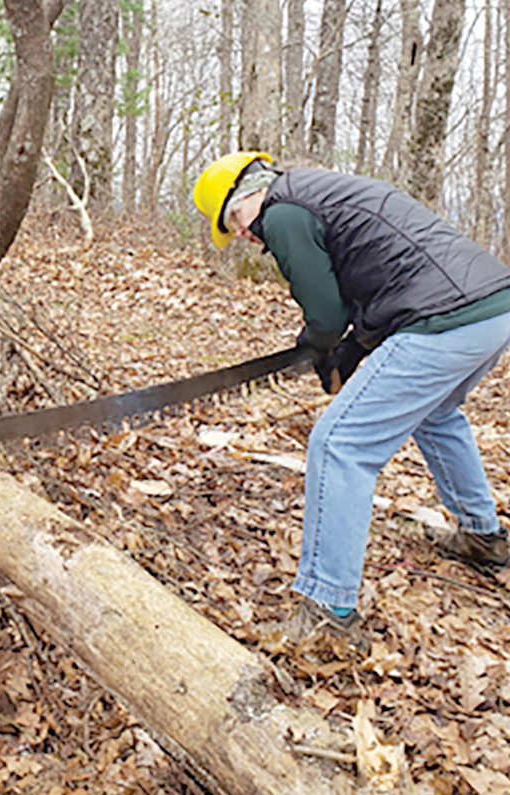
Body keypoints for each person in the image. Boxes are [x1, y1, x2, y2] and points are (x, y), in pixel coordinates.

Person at [193, 152, 510, 636]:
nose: (241, 234)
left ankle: (327, 611)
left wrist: (321, 347)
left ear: (251, 193)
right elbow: (379, 273)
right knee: (438, 415)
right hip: (490, 309)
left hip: (441, 319)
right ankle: (482, 537)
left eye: (233, 219)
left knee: (339, 445)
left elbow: (324, 312)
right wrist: (353, 347)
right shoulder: (319, 190)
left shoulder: (282, 211)